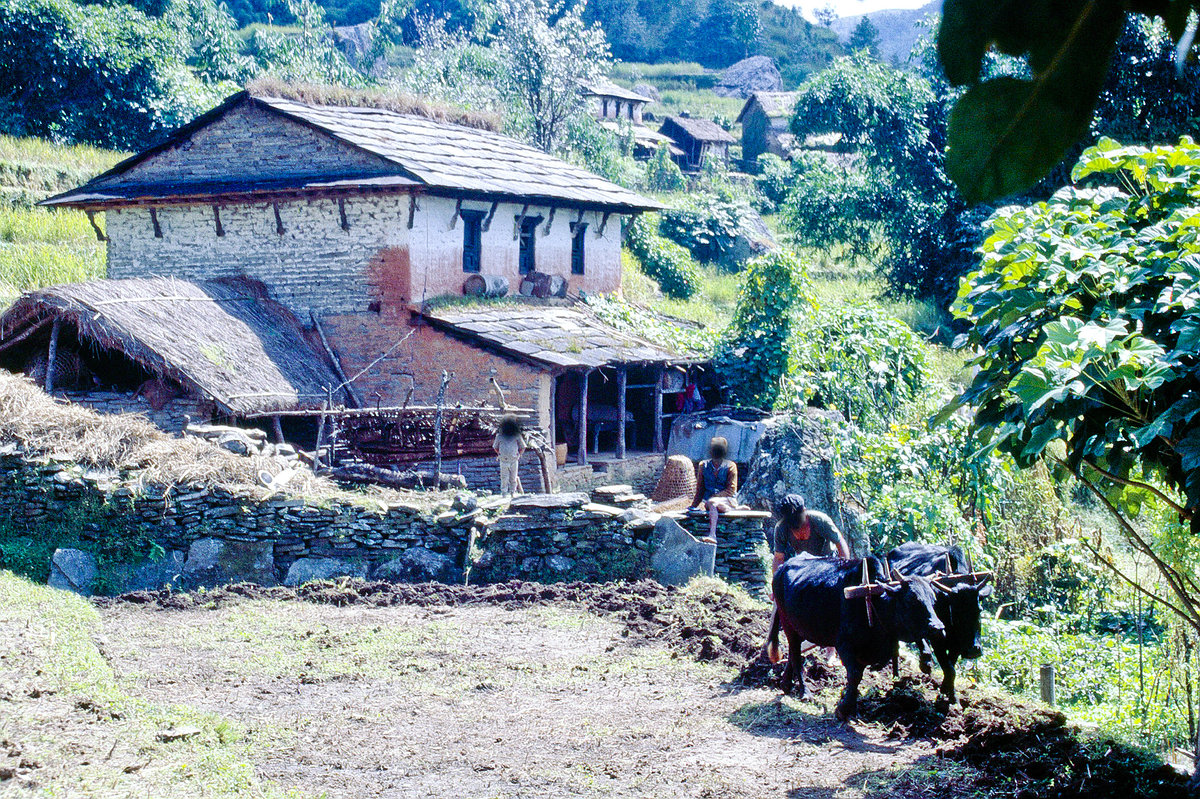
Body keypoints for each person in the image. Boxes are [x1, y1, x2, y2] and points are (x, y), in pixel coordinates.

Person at [772, 493, 850, 574]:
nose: (795, 523)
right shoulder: (781, 528)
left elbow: (840, 543)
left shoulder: (820, 520)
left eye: (797, 519)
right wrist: (777, 580)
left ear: (804, 510)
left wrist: (844, 570)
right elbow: (778, 558)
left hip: (828, 560)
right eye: (791, 521)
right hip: (804, 564)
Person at [690, 437, 748, 544]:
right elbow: (700, 489)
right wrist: (693, 506)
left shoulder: (731, 466)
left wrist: (714, 497)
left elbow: (731, 490)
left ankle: (712, 535)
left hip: (727, 499)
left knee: (712, 502)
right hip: (709, 502)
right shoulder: (703, 465)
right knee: (711, 503)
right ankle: (735, 509)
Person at [493, 415, 526, 496]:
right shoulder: (499, 436)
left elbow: (523, 446)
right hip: (503, 460)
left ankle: (512, 493)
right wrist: (499, 454)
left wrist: (519, 454)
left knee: (513, 478)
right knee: (504, 478)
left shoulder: (516, 435)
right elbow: (495, 447)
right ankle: (504, 493)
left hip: (514, 460)